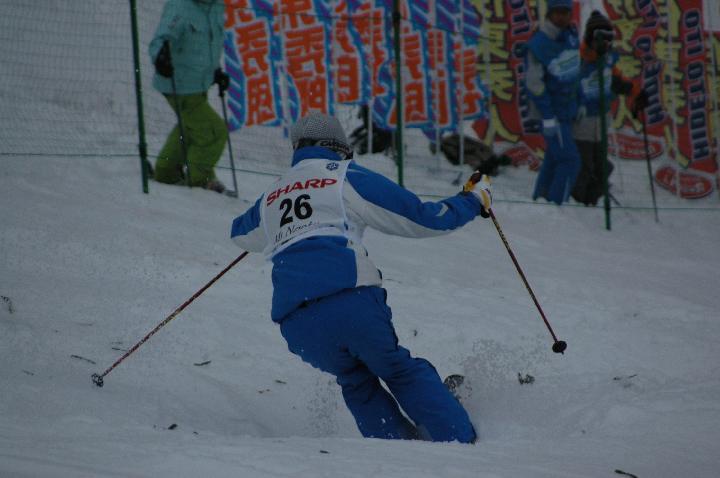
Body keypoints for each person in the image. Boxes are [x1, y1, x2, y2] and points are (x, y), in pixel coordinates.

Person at [230, 112, 493, 443]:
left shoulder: (272, 194)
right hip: (349, 300)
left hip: (297, 324)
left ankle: (394, 447)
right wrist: (473, 199)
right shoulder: (345, 176)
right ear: (341, 146)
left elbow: (240, 234)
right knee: (397, 369)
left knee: (355, 379)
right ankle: (456, 437)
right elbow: (424, 218)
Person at [149, 0, 229, 193]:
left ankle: (166, 171)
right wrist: (160, 57)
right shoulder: (181, 5)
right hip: (179, 83)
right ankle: (200, 180)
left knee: (191, 128)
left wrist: (215, 71)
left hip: (198, 83)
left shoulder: (215, 6)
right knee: (214, 132)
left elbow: (208, 44)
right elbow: (160, 39)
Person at [572, 10, 649, 206]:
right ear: (590, 37)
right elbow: (565, 88)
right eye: (601, 38)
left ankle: (591, 200)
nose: (605, 43)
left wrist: (636, 93)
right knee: (584, 164)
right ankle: (577, 202)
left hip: (601, 119)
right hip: (582, 122)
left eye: (609, 39)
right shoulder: (578, 60)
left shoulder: (607, 59)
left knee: (602, 165)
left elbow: (618, 80)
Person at [525, 0, 581, 205]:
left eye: (565, 12)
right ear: (549, 14)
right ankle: (558, 203)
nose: (561, 17)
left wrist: (580, 102)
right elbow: (534, 83)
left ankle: (541, 200)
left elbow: (575, 72)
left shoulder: (571, 36)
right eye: (557, 12)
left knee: (553, 157)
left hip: (567, 110)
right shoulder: (540, 42)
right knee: (569, 160)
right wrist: (547, 115)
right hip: (551, 113)